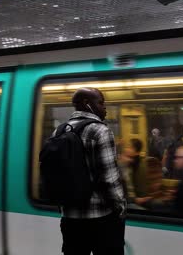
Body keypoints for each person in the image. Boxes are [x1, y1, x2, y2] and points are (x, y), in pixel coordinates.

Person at [58, 88, 127, 255]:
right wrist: (121, 205)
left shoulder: (60, 131)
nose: (105, 108)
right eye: (101, 103)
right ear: (87, 104)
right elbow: (110, 178)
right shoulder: (100, 131)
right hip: (100, 219)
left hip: (70, 219)